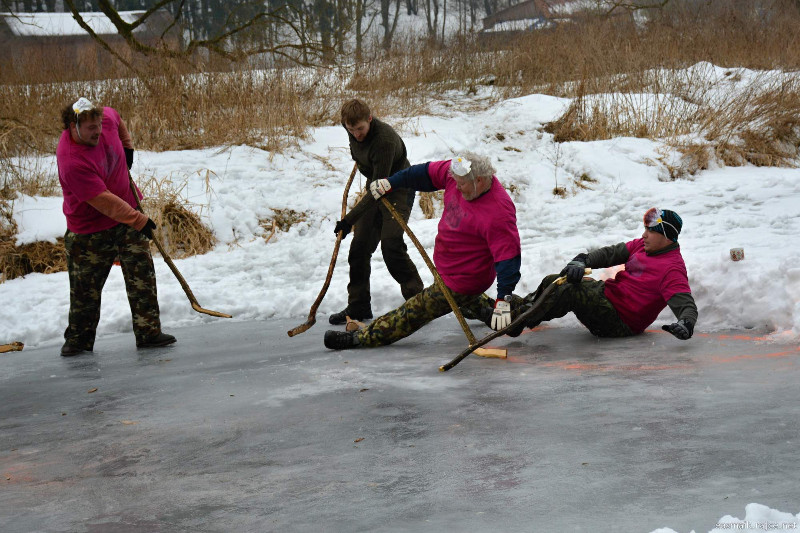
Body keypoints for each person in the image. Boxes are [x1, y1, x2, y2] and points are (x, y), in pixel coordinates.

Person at [324, 152, 522, 350]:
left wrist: (504, 298)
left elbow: (508, 259)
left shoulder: (498, 211)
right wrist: (391, 183)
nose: (456, 187)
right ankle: (507, 316)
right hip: (447, 268)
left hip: (465, 280)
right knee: (466, 303)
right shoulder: (459, 174)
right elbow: (423, 173)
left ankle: (359, 338)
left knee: (414, 311)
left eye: (461, 184)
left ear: (479, 180)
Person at [56, 97, 175, 357]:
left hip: (127, 215)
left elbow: (116, 117)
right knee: (85, 292)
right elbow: (104, 201)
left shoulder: (106, 119)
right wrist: (139, 220)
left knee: (142, 276)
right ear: (73, 126)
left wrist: (127, 147)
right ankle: (78, 342)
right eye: (91, 128)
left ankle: (149, 333)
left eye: (99, 125)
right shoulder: (71, 160)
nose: (98, 131)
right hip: (89, 231)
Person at [505, 207, 697, 340]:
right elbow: (611, 253)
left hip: (619, 322)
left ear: (668, 237)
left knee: (568, 290)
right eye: (645, 229)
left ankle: (514, 322)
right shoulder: (643, 245)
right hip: (607, 297)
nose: (644, 234)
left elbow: (686, 304)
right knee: (557, 280)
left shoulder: (671, 269)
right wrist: (583, 260)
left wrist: (686, 324)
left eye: (651, 231)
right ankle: (522, 307)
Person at [329, 99, 424, 325]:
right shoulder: (351, 129)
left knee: (391, 244)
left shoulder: (384, 141)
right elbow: (371, 178)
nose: (356, 134)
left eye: (360, 129)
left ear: (370, 119)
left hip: (398, 187)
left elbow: (377, 191)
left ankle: (418, 303)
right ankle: (358, 305)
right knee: (359, 247)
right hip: (376, 184)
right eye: (351, 130)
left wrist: (349, 220)